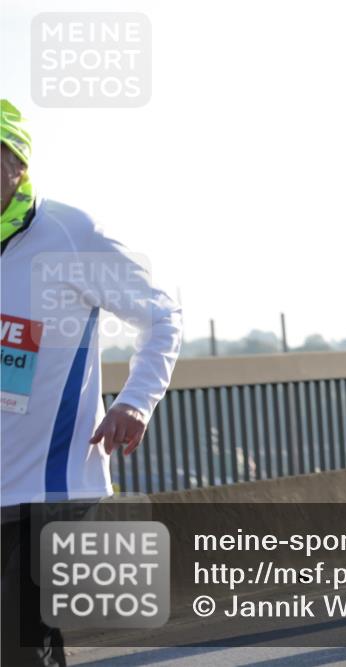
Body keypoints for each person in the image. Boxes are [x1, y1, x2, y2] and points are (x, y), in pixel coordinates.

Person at [0, 99, 183, 666]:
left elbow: (161, 315)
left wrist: (135, 401)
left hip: (54, 483)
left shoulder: (71, 234)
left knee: (18, 641)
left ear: (18, 166)